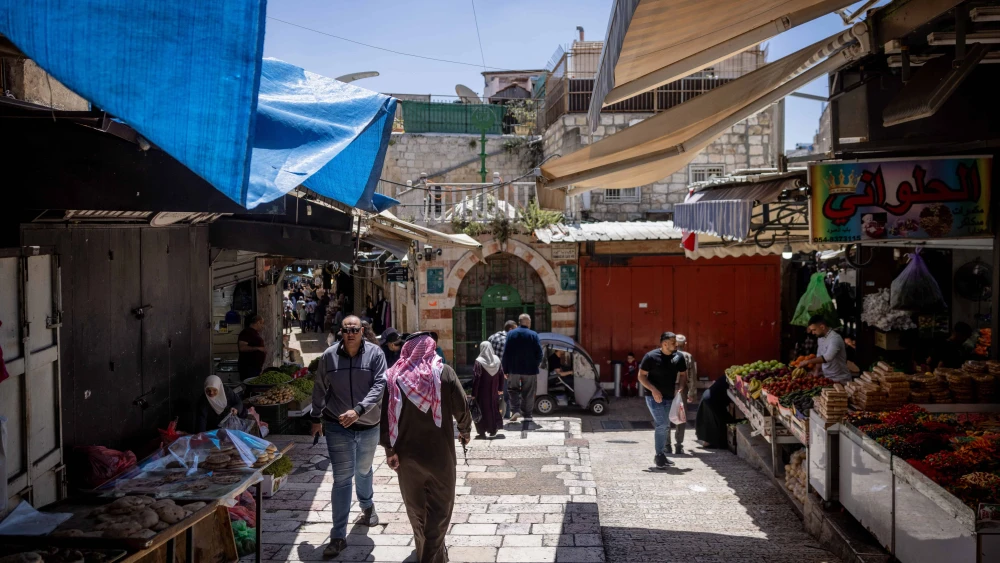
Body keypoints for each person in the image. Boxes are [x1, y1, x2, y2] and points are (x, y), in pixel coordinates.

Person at [380, 333, 471, 563]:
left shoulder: (394, 377)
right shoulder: (444, 373)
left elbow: (385, 417)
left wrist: (389, 450)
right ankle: (430, 557)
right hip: (440, 456)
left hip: (407, 457)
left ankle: (431, 554)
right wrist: (465, 429)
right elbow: (462, 406)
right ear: (432, 348)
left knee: (417, 510)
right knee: (440, 509)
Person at [310, 315, 388, 559]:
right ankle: (338, 535)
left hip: (368, 424)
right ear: (341, 332)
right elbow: (320, 387)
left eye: (355, 329)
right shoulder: (329, 356)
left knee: (363, 470)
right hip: (337, 425)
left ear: (362, 331)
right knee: (342, 478)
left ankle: (367, 506)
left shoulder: (376, 354)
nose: (351, 333)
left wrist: (359, 410)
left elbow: (380, 385)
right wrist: (315, 418)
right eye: (347, 330)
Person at [638, 332, 689, 467]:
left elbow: (684, 374)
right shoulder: (650, 357)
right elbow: (641, 376)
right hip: (653, 396)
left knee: (666, 425)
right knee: (662, 424)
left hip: (669, 397)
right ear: (664, 344)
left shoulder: (679, 357)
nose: (676, 345)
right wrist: (653, 389)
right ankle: (659, 456)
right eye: (673, 342)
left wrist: (681, 387)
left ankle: (662, 454)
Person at [501, 314, 543, 423]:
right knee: (528, 391)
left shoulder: (510, 334)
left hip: (513, 369)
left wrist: (505, 369)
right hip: (530, 370)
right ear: (528, 322)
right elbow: (539, 353)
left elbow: (506, 353)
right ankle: (528, 415)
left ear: (519, 322)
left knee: (512, 389)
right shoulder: (533, 334)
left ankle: (515, 410)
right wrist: (536, 363)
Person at [802, 315, 852, 383]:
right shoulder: (820, 338)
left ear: (822, 327)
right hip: (827, 378)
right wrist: (816, 371)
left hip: (840, 379)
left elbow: (828, 357)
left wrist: (808, 361)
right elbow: (819, 356)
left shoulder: (835, 338)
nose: (813, 333)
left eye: (814, 330)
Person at [471, 341, 504, 439]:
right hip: (494, 392)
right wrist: (500, 389)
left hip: (482, 392)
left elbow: (476, 378)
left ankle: (482, 432)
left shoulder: (479, 361)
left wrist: (474, 393)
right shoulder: (497, 360)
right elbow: (501, 374)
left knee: (482, 410)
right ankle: (493, 429)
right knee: (493, 408)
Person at [695, 375, 735, 449]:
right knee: (721, 420)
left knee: (713, 420)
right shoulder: (731, 381)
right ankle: (720, 444)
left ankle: (710, 442)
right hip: (712, 399)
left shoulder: (725, 378)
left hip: (708, 397)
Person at [489, 320, 517, 418]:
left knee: (493, 394)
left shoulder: (492, 337)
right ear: (510, 329)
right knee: (506, 395)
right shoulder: (510, 340)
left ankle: (493, 414)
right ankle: (506, 415)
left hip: (491, 372)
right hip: (504, 373)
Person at [237, 315, 267, 381]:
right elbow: (242, 347)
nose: (263, 326)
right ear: (258, 322)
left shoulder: (255, 333)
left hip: (255, 368)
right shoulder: (246, 332)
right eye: (262, 323)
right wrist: (258, 348)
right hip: (248, 368)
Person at [676, 335, 699, 403]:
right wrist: (691, 393)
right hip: (682, 387)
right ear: (685, 344)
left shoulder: (667, 355)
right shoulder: (688, 356)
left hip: (667, 388)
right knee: (681, 411)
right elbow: (692, 376)